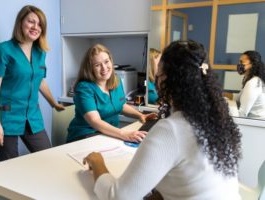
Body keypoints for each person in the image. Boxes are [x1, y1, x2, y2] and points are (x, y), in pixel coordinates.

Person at [83, 40, 242, 200]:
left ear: (165, 79)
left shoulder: (171, 129)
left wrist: (97, 163)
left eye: (158, 71)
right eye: (98, 65)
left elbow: (117, 196)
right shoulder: (216, 120)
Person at [0, 5, 65, 161]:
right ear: (20, 22)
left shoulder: (40, 52)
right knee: (10, 168)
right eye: (31, 22)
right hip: (7, 118)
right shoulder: (1, 50)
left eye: (40, 24)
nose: (36, 27)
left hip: (32, 116)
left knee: (48, 159)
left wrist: (53, 103)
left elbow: (39, 79)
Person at [67, 44, 157, 143]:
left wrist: (140, 115)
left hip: (107, 134)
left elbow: (121, 105)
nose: (104, 68)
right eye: (97, 65)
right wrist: (124, 134)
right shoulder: (84, 88)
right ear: (90, 68)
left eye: (106, 62)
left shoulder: (116, 80)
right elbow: (94, 121)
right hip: (85, 135)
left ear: (111, 61)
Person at [225, 51, 265, 119]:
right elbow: (240, 97)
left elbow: (242, 114)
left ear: (252, 64)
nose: (238, 65)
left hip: (255, 125)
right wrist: (223, 94)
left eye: (241, 62)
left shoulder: (253, 83)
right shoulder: (251, 80)